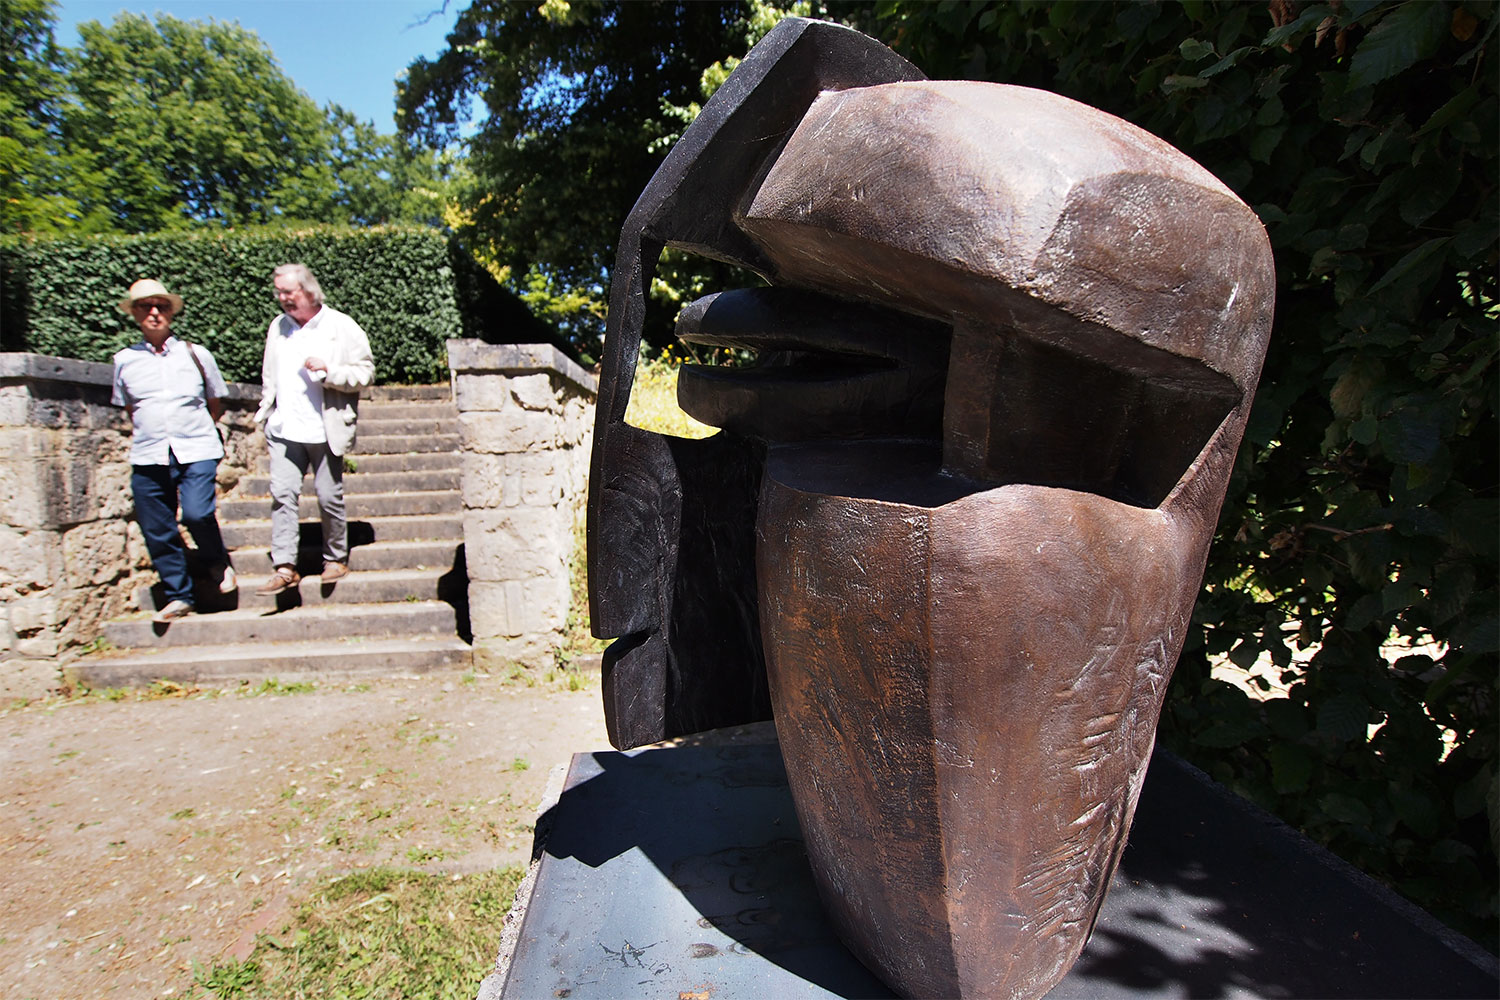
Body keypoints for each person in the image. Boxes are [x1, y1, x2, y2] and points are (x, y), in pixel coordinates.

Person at [111, 279, 237, 623]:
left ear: (170, 312)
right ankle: (179, 595)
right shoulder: (124, 361)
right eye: (145, 307)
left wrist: (195, 429)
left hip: (196, 447)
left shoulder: (196, 354)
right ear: (135, 314)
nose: (154, 313)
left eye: (161, 306)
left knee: (196, 513)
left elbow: (216, 402)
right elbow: (129, 409)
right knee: (157, 526)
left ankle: (216, 560)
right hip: (148, 452)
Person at [253, 263, 375, 595]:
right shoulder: (278, 327)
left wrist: (330, 370)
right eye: (278, 292)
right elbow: (270, 374)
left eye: (288, 292)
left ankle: (335, 557)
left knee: (328, 496)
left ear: (308, 290)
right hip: (284, 427)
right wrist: (268, 411)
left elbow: (365, 372)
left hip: (324, 428)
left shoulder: (340, 326)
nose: (282, 298)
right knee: (282, 495)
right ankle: (284, 567)